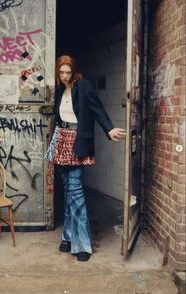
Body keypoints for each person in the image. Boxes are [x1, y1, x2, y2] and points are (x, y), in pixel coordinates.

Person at [45, 55, 126, 262]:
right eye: (61, 72)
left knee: (77, 193)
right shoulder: (60, 89)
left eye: (67, 72)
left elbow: (97, 109)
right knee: (67, 192)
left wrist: (109, 129)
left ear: (74, 71)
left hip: (77, 143)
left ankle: (83, 245)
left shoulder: (84, 86)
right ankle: (68, 237)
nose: (64, 76)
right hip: (61, 141)